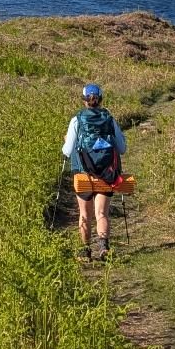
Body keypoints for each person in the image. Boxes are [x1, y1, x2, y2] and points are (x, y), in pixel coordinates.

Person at [63, 83, 127, 260]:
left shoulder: (77, 120)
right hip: (106, 172)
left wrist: (67, 140)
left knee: (85, 214)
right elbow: (122, 149)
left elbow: (67, 151)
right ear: (101, 100)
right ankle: (104, 247)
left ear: (84, 101)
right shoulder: (109, 119)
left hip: (83, 171)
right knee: (101, 213)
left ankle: (85, 250)